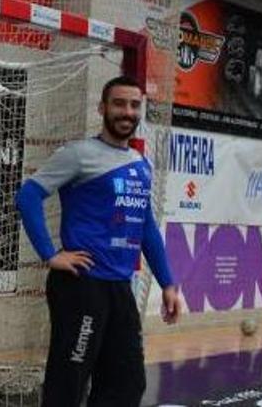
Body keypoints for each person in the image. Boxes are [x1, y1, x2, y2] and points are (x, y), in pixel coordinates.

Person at [15, 76, 181, 406]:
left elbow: (145, 226)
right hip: (81, 286)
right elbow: (28, 196)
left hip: (119, 288)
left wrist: (168, 283)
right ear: (102, 108)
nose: (127, 111)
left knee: (128, 384)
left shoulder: (140, 164)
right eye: (119, 103)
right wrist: (50, 255)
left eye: (135, 105)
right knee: (69, 384)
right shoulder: (79, 154)